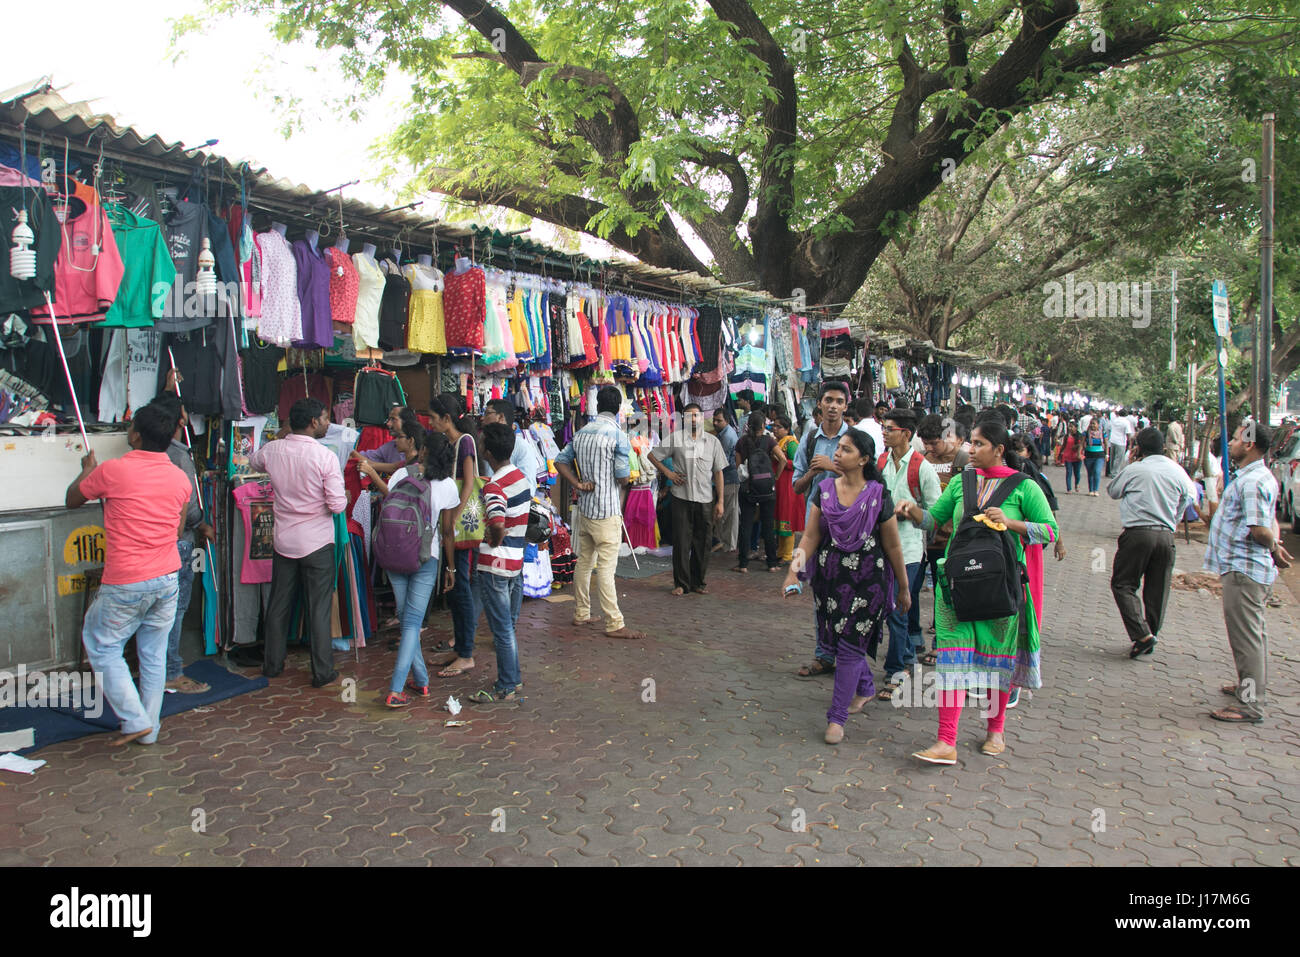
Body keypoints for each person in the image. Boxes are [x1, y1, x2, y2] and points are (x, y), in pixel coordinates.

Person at [896, 417, 1058, 764]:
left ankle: (995, 731)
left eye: (979, 444)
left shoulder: (1025, 487)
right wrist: (913, 512)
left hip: (1000, 590)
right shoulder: (960, 483)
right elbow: (934, 520)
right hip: (956, 587)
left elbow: (1049, 531)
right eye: (970, 442)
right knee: (952, 662)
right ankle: (945, 741)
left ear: (999, 450)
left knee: (997, 662)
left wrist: (1011, 523)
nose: (970, 449)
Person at [65, 402, 193, 746]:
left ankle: (135, 719)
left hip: (127, 578)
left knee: (102, 645)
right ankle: (148, 730)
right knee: (153, 655)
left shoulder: (112, 471)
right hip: (167, 576)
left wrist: (86, 471)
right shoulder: (180, 478)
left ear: (135, 434)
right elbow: (178, 530)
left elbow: (72, 499)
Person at [783, 429, 909, 745]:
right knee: (840, 643)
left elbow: (893, 546)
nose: (838, 453)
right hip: (830, 582)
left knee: (851, 647)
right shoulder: (824, 490)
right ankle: (865, 687)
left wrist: (904, 588)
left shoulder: (879, 495)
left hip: (869, 583)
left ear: (864, 459)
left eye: (847, 449)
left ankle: (836, 718)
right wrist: (792, 573)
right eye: (838, 448)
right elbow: (810, 537)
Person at [251, 398, 348, 688]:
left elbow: (255, 460)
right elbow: (337, 505)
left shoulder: (273, 450)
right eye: (323, 418)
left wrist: (280, 436)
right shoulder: (324, 457)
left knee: (279, 603)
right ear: (312, 422)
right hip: (316, 542)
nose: (326, 423)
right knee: (317, 607)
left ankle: (272, 664)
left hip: (284, 541)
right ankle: (322, 671)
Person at [1200, 422, 1292, 723]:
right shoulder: (1254, 477)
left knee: (1246, 640)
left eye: (1238, 438)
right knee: (1252, 637)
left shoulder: (1252, 482)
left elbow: (1259, 529)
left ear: (1250, 445)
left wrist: (1274, 548)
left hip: (1244, 570)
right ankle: (1248, 688)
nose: (1233, 443)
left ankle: (1250, 704)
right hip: (1245, 568)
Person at [361, 430, 460, 707]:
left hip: (393, 552)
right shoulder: (449, 485)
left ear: (424, 450)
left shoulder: (401, 474)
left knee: (407, 621)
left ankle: (422, 681)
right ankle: (395, 689)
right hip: (425, 558)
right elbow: (448, 531)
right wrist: (451, 570)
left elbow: (391, 505)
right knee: (412, 624)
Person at [553, 384, 647, 638]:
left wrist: (578, 484)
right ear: (618, 408)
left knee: (584, 563)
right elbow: (623, 478)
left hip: (585, 508)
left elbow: (559, 461)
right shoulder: (618, 435)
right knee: (605, 568)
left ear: (598, 406)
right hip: (607, 510)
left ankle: (581, 613)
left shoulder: (582, 432)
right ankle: (614, 622)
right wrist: (630, 478)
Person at [1106, 427, 1198, 660]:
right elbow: (1190, 497)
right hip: (1166, 535)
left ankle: (1142, 634)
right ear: (1163, 447)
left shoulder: (1135, 469)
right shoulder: (1177, 470)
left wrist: (1130, 463)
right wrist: (1173, 520)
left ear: (1138, 447)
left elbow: (1113, 491)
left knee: (1123, 584)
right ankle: (1150, 634)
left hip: (1137, 533)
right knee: (1158, 590)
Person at [149, 392, 213, 695]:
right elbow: (186, 506)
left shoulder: (144, 451)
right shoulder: (178, 456)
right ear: (179, 420)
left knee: (155, 610)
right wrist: (201, 523)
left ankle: (155, 669)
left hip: (148, 543)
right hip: (177, 543)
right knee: (173, 609)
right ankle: (171, 672)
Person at [876, 408, 941, 700]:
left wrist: (912, 512)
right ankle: (905, 662)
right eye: (884, 427)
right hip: (881, 547)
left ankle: (897, 671)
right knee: (891, 610)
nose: (885, 431)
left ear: (905, 433)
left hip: (910, 551)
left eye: (890, 428)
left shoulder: (922, 468)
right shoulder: (880, 462)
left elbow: (935, 517)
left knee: (898, 610)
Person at [468, 423, 533, 703]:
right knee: (506, 626)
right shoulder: (520, 477)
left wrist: (492, 538)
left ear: (488, 452)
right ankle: (512, 679)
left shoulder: (494, 485)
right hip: (514, 561)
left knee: (501, 628)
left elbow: (496, 524)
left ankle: (507, 684)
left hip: (495, 563)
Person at [792, 382, 852, 675]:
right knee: (821, 592)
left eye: (838, 401)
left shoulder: (854, 440)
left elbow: (868, 480)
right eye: (828, 400)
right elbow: (796, 485)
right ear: (820, 404)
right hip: (817, 527)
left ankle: (849, 656)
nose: (832, 405)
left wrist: (832, 466)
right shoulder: (809, 439)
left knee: (848, 593)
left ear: (845, 406)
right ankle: (824, 654)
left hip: (850, 528)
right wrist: (814, 471)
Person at [428, 394, 481, 677]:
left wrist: (454, 514)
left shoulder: (465, 442)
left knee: (461, 587)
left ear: (446, 419)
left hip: (459, 521)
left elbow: (469, 482)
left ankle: (467, 653)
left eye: (434, 419)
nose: (431, 423)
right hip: (451, 521)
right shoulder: (450, 443)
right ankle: (460, 648)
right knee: (456, 588)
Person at [650, 403, 727, 595]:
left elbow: (718, 473)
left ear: (702, 418)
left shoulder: (712, 442)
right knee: (682, 541)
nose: (693, 419)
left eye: (696, 416)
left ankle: (698, 582)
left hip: (705, 499)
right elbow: (653, 456)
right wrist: (668, 473)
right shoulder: (676, 439)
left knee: (703, 542)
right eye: (689, 416)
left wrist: (720, 501)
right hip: (681, 497)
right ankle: (681, 584)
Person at [917, 414, 969, 663]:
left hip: (950, 541)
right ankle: (914, 640)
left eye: (934, 442)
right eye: (925, 443)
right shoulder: (924, 460)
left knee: (944, 594)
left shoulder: (964, 460)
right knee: (913, 587)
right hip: (924, 539)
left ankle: (940, 645)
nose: (929, 448)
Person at [734, 411, 786, 572]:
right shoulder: (769, 441)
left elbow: (738, 466)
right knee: (768, 525)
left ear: (748, 425)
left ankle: (743, 564)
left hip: (748, 488)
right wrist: (775, 477)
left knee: (746, 525)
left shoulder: (742, 442)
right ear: (763, 425)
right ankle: (771, 563)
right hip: (767, 488)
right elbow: (783, 459)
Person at [481, 398, 542, 498]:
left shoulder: (521, 447)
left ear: (500, 417)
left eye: (487, 413)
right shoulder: (483, 442)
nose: (483, 418)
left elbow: (528, 488)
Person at [772, 414, 805, 563]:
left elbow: (798, 463)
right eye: (774, 426)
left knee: (787, 518)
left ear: (787, 429)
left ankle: (787, 554)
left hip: (788, 486)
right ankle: (780, 551)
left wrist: (783, 461)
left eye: (779, 427)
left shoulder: (791, 443)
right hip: (780, 485)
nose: (775, 429)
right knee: (779, 517)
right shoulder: (777, 443)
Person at [359, 404, 421, 476]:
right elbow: (369, 462)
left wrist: (371, 473)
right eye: (388, 419)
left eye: (393, 419)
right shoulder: (392, 448)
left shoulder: (421, 461)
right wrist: (350, 451)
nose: (388, 423)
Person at [712, 409, 741, 553]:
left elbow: (720, 463)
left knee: (729, 514)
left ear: (727, 421)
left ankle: (728, 544)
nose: (715, 423)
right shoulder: (723, 434)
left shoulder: (727, 436)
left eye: (719, 421)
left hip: (729, 478)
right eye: (714, 420)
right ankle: (723, 542)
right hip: (726, 478)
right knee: (725, 513)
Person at [853, 397, 885, 463]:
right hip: (879, 464)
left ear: (856, 412)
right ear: (873, 411)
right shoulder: (880, 428)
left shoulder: (855, 430)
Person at [1108, 408, 1133, 477]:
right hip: (1121, 442)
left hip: (1112, 440)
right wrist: (1130, 443)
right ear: (1126, 415)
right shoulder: (1126, 422)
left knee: (1112, 457)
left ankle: (1111, 471)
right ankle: (1115, 473)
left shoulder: (1115, 420)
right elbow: (1128, 433)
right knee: (1118, 458)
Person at [1083, 418, 1106, 495]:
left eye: (1094, 423)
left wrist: (1107, 454)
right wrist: (1080, 453)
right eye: (1091, 423)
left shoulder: (1103, 433)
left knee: (1097, 471)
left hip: (1099, 456)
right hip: (1088, 455)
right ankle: (1091, 490)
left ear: (1098, 425)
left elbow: (1106, 444)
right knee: (1090, 473)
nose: (1092, 425)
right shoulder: (1086, 433)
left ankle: (1096, 490)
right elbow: (1082, 443)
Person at [1060, 421, 1084, 493]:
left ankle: (1077, 484)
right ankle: (1069, 489)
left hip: (1077, 457)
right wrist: (1060, 454)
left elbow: (1081, 445)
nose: (1070, 428)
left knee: (1077, 473)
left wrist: (1076, 447)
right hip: (1068, 457)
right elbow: (1064, 445)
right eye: (1069, 426)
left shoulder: (1080, 436)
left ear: (1076, 428)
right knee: (1068, 472)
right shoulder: (1067, 436)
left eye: (1071, 426)